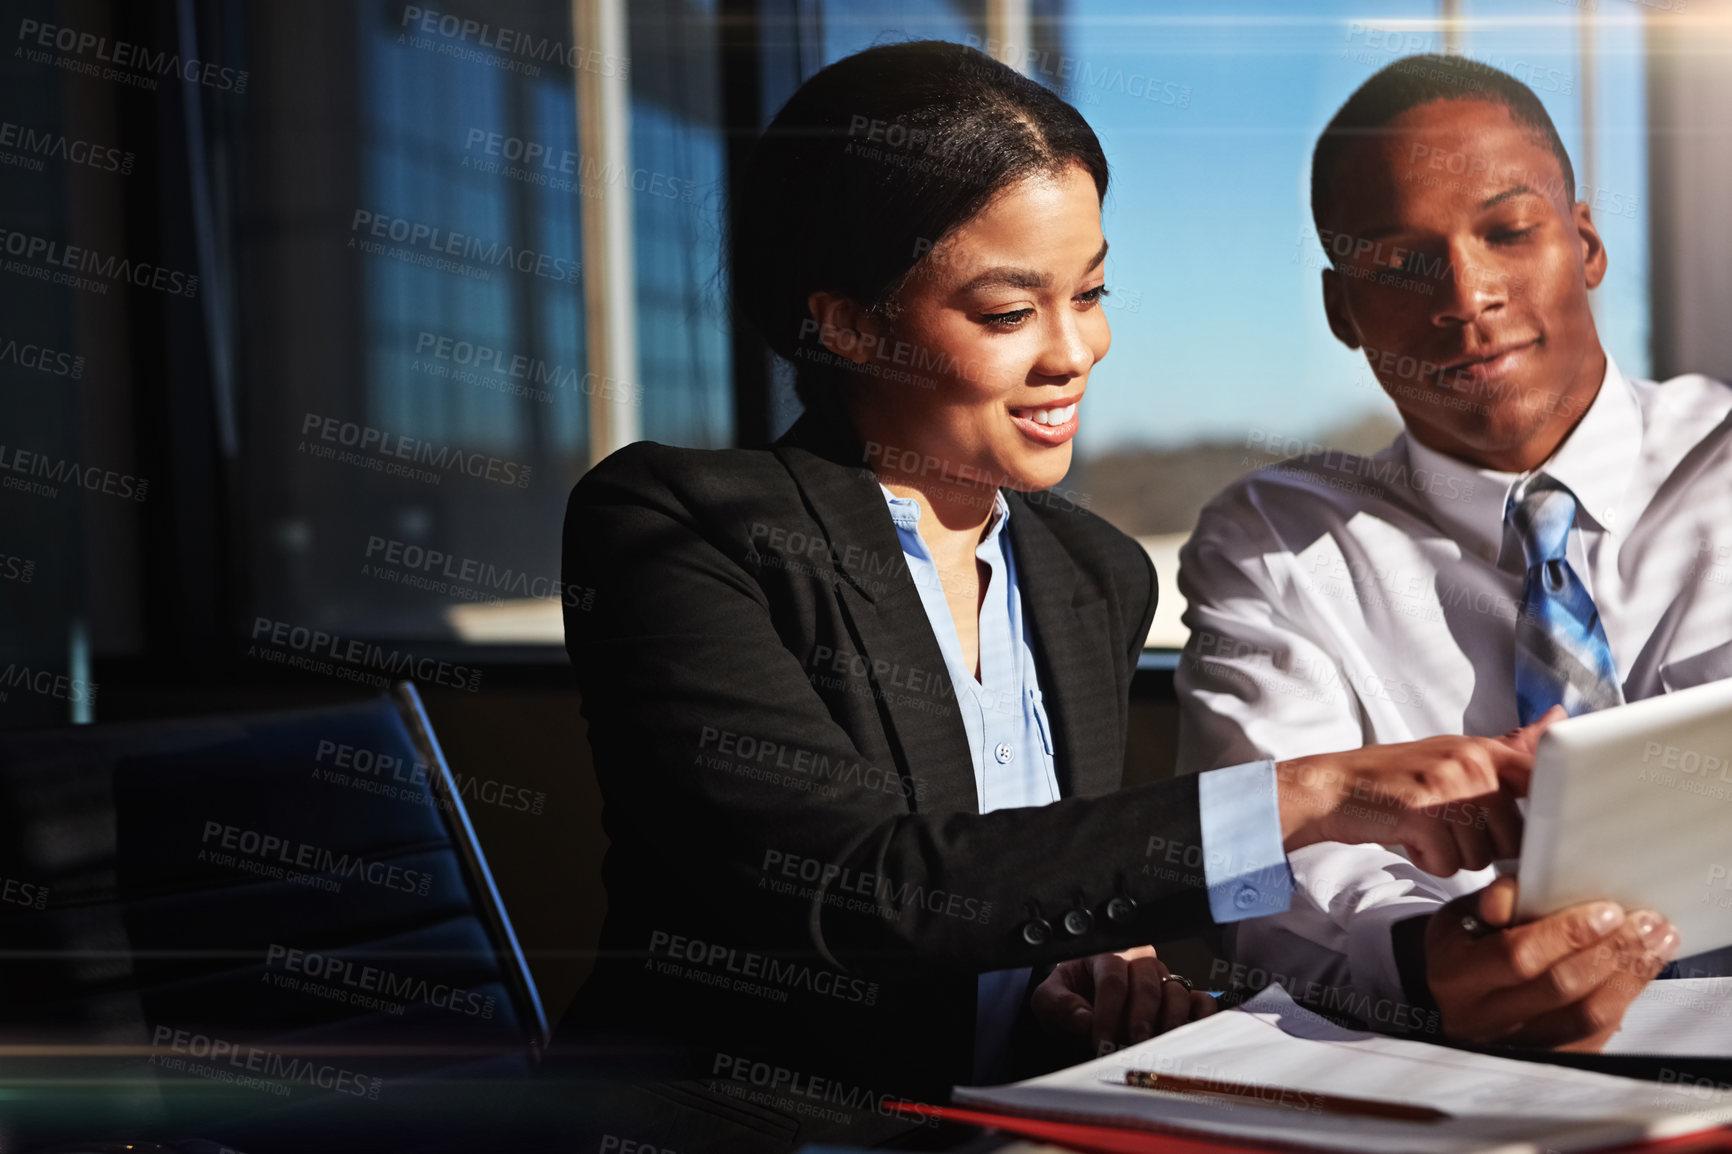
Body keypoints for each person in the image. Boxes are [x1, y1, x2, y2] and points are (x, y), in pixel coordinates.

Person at [549, 42, 1539, 1152]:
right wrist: (1306, 793)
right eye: (1007, 311)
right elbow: (865, 893)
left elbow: (1018, 884)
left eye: (1091, 292)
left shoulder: (1093, 573)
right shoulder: (679, 526)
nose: (1076, 352)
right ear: (847, 323)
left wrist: (1075, 979)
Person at [1176, 53, 1731, 1052]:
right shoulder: (1279, 545)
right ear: (1341, 310)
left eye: (1509, 232)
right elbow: (1266, 871)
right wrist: (1425, 962)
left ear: (1586, 240)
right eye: (1398, 263)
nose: (1466, 295)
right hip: (1451, 1067)